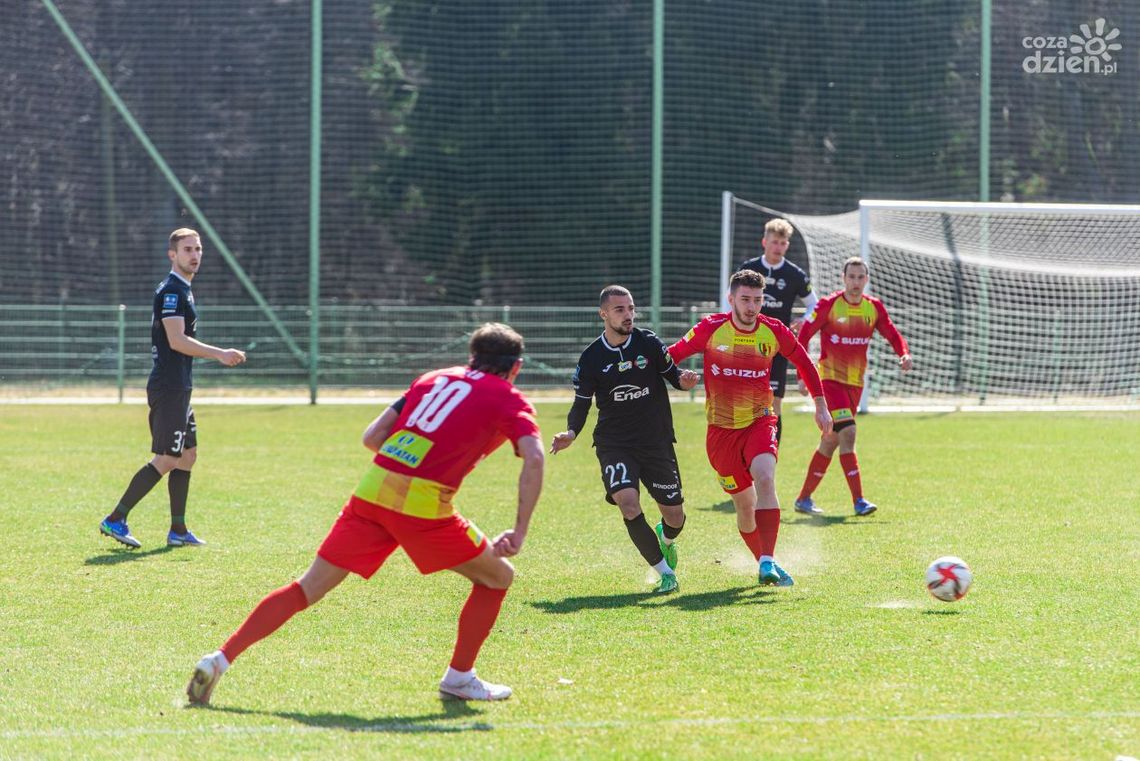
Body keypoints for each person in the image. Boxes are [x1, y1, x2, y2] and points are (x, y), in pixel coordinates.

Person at [186, 323, 544, 704]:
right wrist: (519, 531)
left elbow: (372, 436)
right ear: (516, 367)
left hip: (373, 489)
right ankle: (460, 677)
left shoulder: (433, 378)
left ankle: (219, 659)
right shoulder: (509, 397)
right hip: (422, 505)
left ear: (472, 356)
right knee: (498, 577)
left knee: (307, 587)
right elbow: (535, 457)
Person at [668, 270, 832, 587]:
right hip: (721, 433)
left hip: (760, 419)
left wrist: (820, 405)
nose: (752, 307)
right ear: (731, 299)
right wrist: (678, 379)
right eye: (745, 299)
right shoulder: (710, 329)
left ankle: (768, 560)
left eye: (757, 300)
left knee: (765, 478)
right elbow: (670, 356)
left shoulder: (773, 330)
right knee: (745, 506)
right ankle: (764, 562)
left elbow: (804, 362)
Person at [99, 228, 247, 549]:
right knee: (167, 458)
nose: (195, 255)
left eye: (198, 249)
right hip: (169, 387)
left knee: (187, 455)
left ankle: (178, 530)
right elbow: (177, 340)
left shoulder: (184, 290)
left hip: (180, 387)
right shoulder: (172, 291)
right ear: (172, 254)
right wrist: (220, 353)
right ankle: (115, 518)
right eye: (187, 250)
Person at [549, 286, 700, 594]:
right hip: (614, 443)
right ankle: (665, 573)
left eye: (631, 308)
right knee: (628, 504)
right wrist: (571, 432)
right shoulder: (591, 358)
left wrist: (684, 382)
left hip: (655, 440)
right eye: (620, 309)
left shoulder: (649, 343)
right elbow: (582, 403)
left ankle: (666, 539)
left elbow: (674, 377)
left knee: (675, 517)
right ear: (603, 314)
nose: (628, 314)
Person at [793, 257, 913, 517]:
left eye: (860, 277)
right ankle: (859, 501)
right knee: (848, 433)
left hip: (855, 384)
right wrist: (802, 375)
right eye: (851, 277)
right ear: (843, 278)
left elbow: (892, 333)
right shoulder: (828, 306)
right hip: (829, 381)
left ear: (866, 279)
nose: (856, 282)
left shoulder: (874, 308)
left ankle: (803, 499)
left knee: (830, 441)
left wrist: (903, 353)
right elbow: (803, 336)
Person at [735, 218, 818, 445]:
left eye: (782, 243)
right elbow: (730, 298)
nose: (778, 247)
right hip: (747, 344)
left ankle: (770, 454)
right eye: (774, 242)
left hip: (777, 347)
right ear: (765, 242)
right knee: (744, 402)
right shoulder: (749, 269)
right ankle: (743, 450)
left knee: (774, 404)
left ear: (787, 245)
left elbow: (814, 304)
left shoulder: (794, 274)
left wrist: (804, 319)